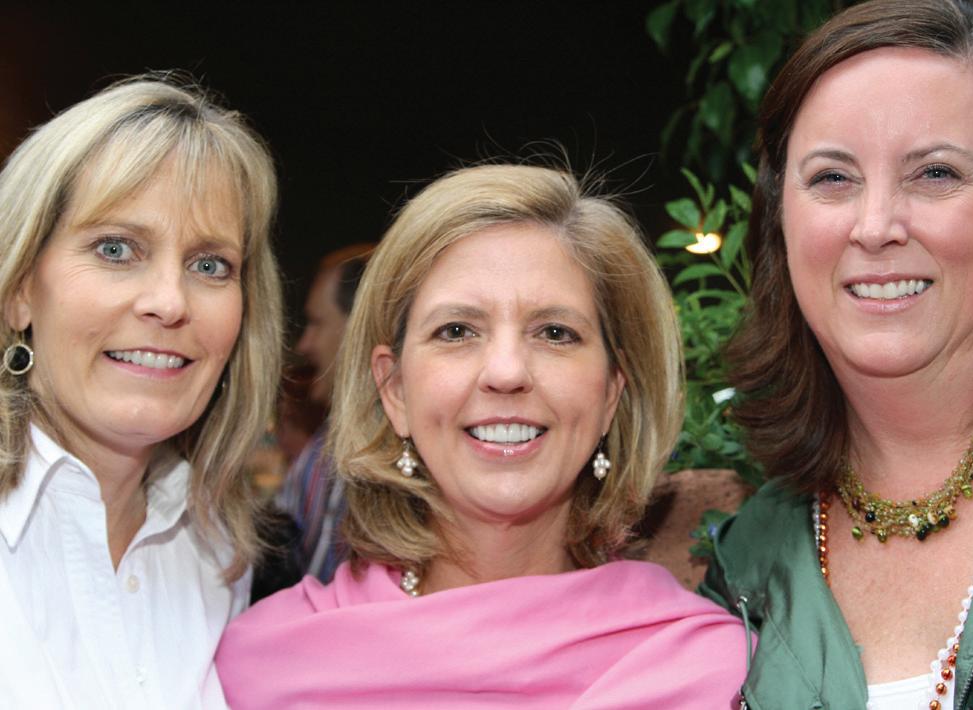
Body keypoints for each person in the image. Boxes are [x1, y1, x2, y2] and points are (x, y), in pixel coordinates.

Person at [216, 164, 749, 708]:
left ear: (611, 392)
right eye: (457, 331)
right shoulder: (262, 665)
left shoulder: (709, 673)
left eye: (555, 333)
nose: (506, 371)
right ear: (394, 389)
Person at [697, 1, 973, 708]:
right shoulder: (746, 565)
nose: (875, 227)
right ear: (781, 217)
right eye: (832, 178)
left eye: (935, 173)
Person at [0, 75, 283, 707]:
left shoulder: (219, 553)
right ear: (21, 289)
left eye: (209, 265)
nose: (169, 302)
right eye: (116, 249)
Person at [276, 246, 369, 582]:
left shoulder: (403, 460)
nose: (304, 344)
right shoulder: (324, 445)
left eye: (316, 323)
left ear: (359, 331)